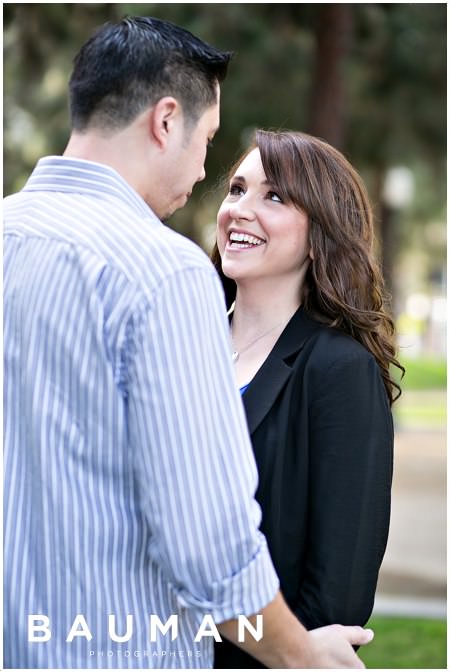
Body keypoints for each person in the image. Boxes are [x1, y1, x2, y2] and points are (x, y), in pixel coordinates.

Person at [4, 16, 370, 669]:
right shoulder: (162, 272)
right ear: (165, 121)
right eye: (207, 142)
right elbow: (210, 547)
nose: (205, 172)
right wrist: (300, 657)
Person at [209, 130, 398, 668]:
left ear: (320, 234)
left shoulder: (339, 370)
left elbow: (337, 602)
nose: (240, 211)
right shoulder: (179, 349)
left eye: (274, 197)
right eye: (237, 189)